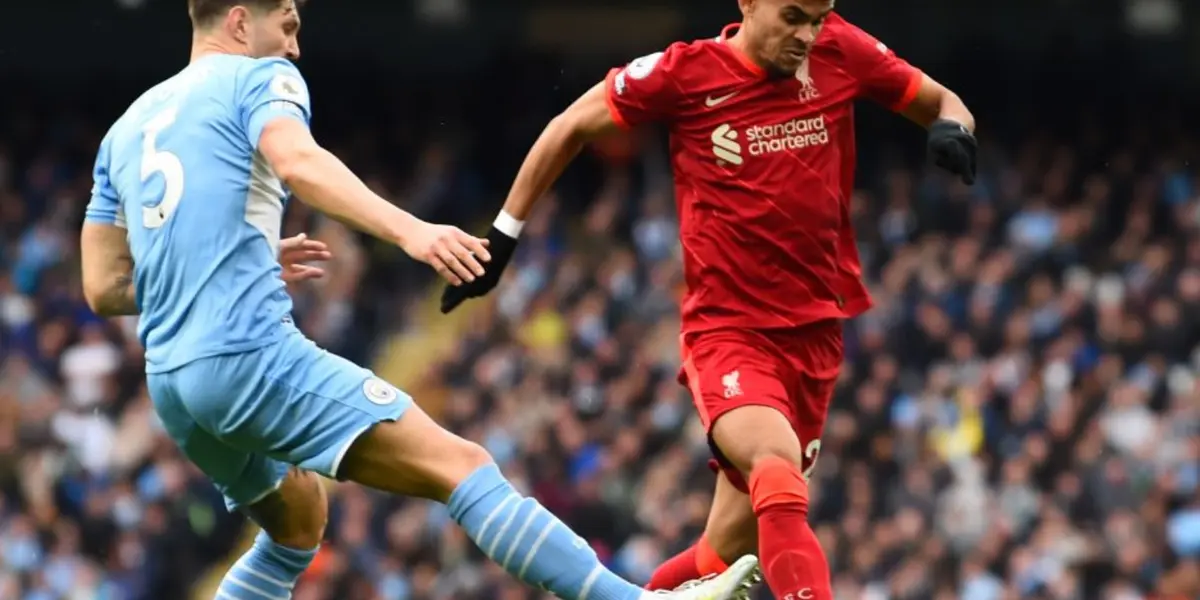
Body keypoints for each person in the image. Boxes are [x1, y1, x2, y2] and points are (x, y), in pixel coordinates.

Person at [77, 1, 761, 599]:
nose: (295, 46)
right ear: (237, 21)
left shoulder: (125, 129)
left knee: (297, 522)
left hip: (173, 385)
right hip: (246, 359)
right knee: (461, 467)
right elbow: (298, 161)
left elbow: (104, 287)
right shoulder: (260, 76)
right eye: (287, 24)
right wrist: (413, 230)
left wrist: (225, 261)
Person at [438, 0, 977, 598]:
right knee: (775, 465)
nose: (807, 34)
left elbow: (942, 101)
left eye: (819, 17)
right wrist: (504, 238)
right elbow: (570, 125)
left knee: (727, 551)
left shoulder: (840, 48)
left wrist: (953, 127)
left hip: (817, 337)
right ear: (748, 3)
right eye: (793, 16)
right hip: (731, 334)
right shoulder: (685, 73)